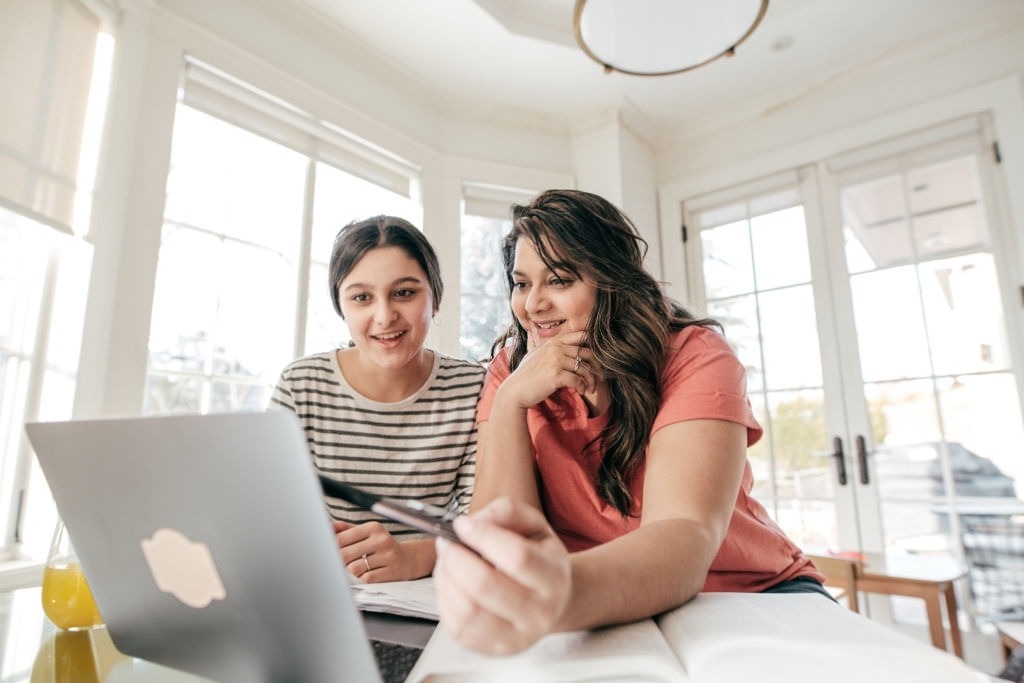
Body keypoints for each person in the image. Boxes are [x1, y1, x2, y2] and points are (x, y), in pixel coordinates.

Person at [433, 189, 828, 655]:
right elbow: (502, 538)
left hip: (748, 595)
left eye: (558, 280)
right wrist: (510, 403)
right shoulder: (511, 372)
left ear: (612, 281)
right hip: (609, 607)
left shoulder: (694, 355)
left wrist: (559, 592)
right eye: (522, 284)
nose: (532, 305)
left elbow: (684, 537)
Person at [271, 215, 485, 583]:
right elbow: (272, 514)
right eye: (361, 297)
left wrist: (416, 556)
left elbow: (482, 528)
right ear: (342, 307)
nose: (384, 316)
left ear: (435, 298)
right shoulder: (301, 385)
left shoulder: (474, 389)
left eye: (404, 292)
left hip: (432, 598)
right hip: (325, 588)